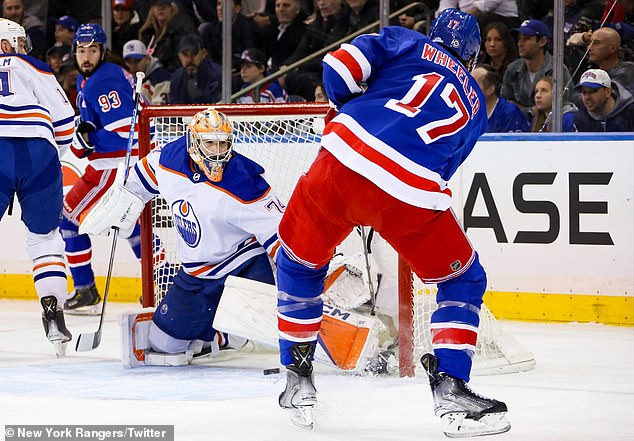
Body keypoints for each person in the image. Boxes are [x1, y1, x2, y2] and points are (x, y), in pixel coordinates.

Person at [273, 8, 510, 437]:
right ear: (473, 58)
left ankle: (297, 377)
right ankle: (452, 386)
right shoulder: (477, 106)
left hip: (340, 165)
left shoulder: (405, 40)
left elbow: (337, 67)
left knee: (299, 263)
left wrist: (352, 107)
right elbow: (445, 164)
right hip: (411, 194)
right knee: (463, 279)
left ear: (433, 34)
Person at [78, 108, 282, 366]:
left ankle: (236, 333)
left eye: (222, 143)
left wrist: (298, 278)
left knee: (277, 327)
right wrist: (122, 206)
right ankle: (223, 337)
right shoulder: (169, 159)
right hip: (196, 274)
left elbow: (281, 234)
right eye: (210, 143)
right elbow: (139, 181)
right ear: (193, 142)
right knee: (164, 344)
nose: (217, 151)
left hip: (243, 267)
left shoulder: (245, 181)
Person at [60, 23, 148, 314]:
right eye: (81, 50)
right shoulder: (101, 75)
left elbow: (127, 129)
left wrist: (87, 139)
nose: (86, 57)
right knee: (135, 227)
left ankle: (85, 289)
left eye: (92, 50)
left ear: (102, 51)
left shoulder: (102, 80)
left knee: (68, 218)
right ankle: (160, 284)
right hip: (120, 163)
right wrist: (85, 137)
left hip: (113, 165)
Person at [0, 18, 75, 355]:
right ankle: (52, 312)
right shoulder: (34, 65)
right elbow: (65, 120)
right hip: (39, 151)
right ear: (6, 44)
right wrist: (49, 153)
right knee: (44, 240)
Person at [502, 19, 572, 117]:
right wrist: (530, 111)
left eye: (526, 39)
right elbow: (506, 105)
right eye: (519, 39)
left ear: (542, 41)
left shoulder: (557, 70)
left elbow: (563, 106)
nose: (520, 44)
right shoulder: (512, 69)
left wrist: (520, 109)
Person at [138, 0, 196, 72]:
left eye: (165, 4)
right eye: (157, 5)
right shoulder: (147, 33)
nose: (161, 8)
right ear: (152, 9)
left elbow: (179, 63)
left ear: (172, 8)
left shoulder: (180, 32)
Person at [472, 64, 530, 132]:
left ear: (490, 89)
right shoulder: (469, 112)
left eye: (474, 83)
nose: (469, 87)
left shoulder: (509, 113)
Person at [168, 33, 222, 104]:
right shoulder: (176, 78)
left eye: (194, 54)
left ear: (203, 54)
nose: (189, 59)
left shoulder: (217, 75)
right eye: (185, 55)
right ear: (179, 57)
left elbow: (217, 107)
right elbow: (173, 106)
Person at [123, 39, 172, 105]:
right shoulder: (124, 80)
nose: (133, 65)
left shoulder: (161, 78)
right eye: (129, 61)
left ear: (147, 59)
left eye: (137, 61)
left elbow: (160, 112)